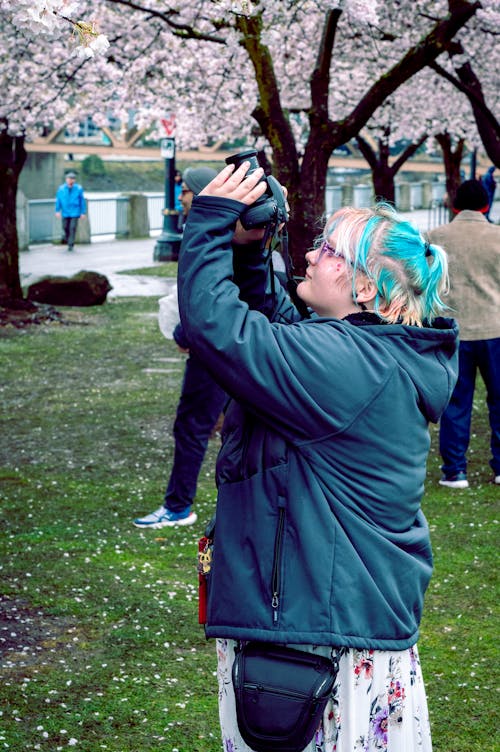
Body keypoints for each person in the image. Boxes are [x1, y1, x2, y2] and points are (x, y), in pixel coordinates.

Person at [177, 161, 458, 752]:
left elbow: (221, 331)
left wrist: (206, 224)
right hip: (336, 621)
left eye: (328, 250)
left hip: (321, 644)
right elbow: (277, 329)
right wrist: (252, 251)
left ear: (364, 285)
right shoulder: (373, 354)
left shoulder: (349, 365)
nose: (309, 255)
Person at [133, 166, 225, 529]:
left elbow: (207, 293)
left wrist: (185, 336)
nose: (181, 197)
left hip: (210, 351)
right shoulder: (215, 232)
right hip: (219, 348)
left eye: (186, 191)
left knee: (192, 425)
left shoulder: (209, 236)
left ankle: (178, 506)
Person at [428, 179, 500, 488]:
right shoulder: (497, 236)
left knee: (457, 402)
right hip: (495, 327)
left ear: (454, 205)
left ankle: (455, 471)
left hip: (453, 330)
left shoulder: (435, 238)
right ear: (486, 205)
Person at [55, 171, 86, 252]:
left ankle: (70, 244)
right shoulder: (61, 188)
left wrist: (83, 212)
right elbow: (58, 200)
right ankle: (68, 238)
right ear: (66, 180)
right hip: (65, 211)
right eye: (69, 179)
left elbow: (82, 201)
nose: (70, 181)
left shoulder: (78, 188)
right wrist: (57, 210)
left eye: (72, 179)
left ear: (74, 180)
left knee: (72, 227)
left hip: (75, 211)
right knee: (65, 227)